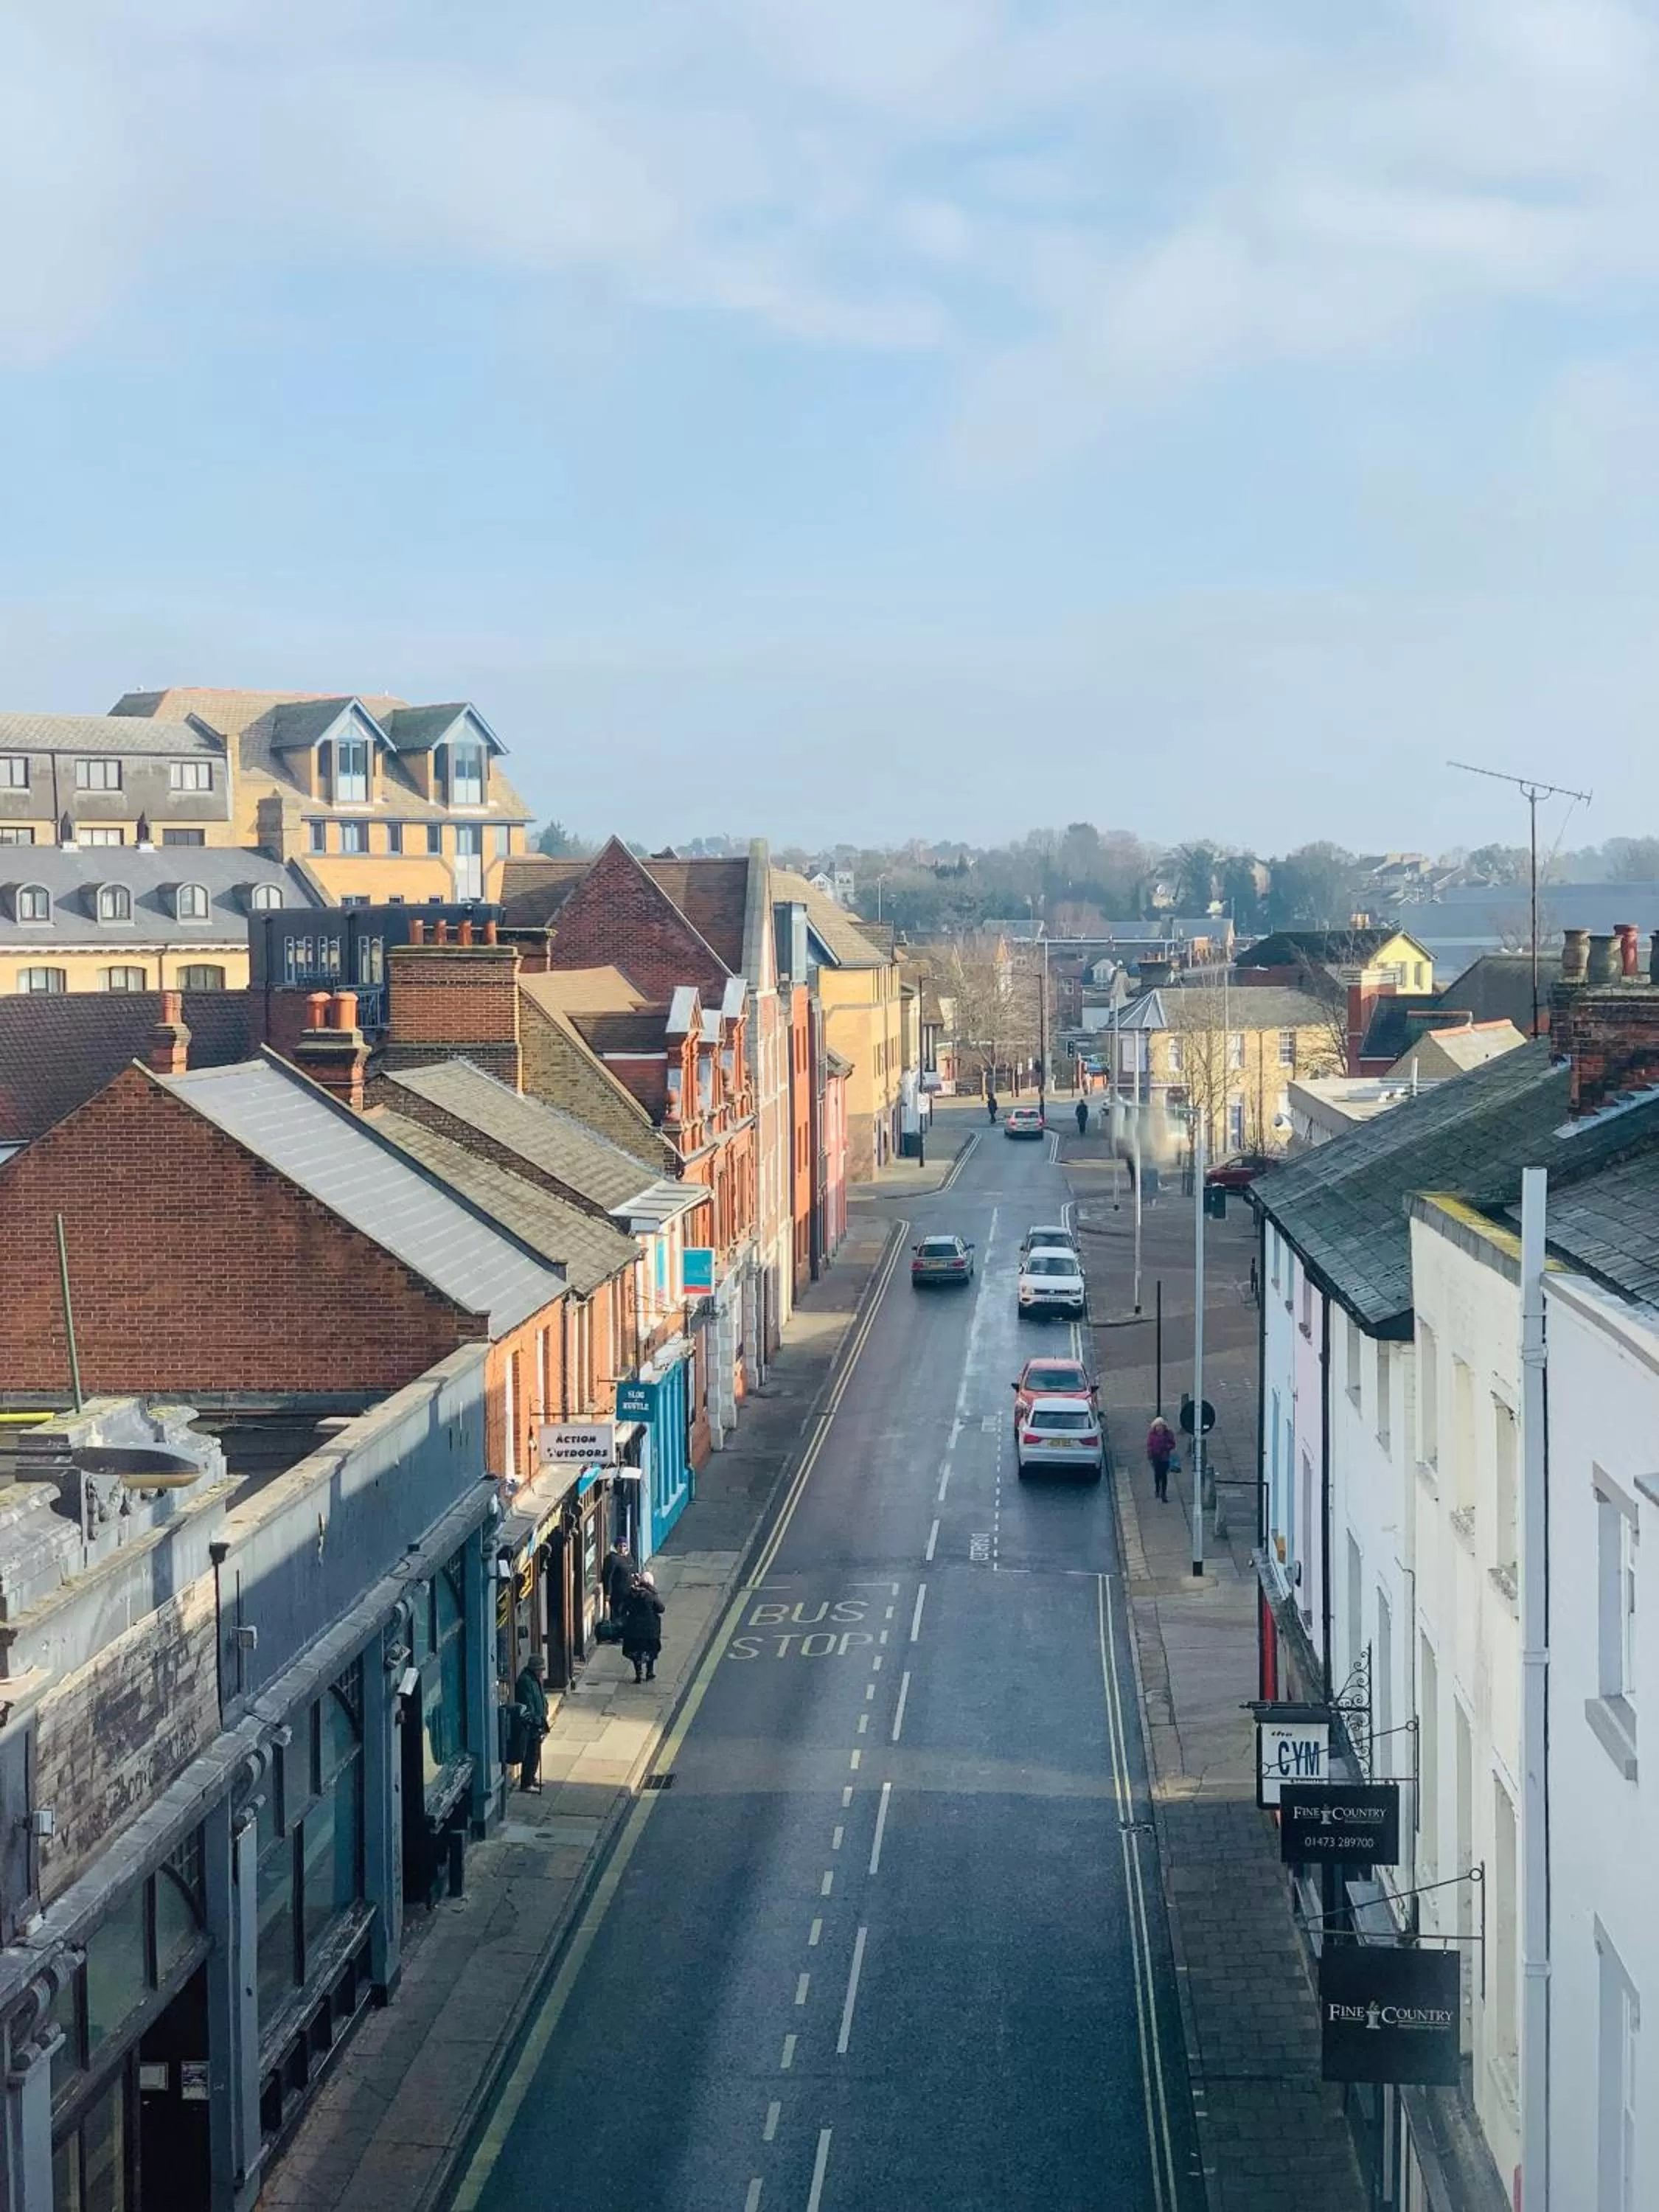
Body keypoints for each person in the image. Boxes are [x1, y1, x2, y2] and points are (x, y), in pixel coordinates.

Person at [622, 1571, 665, 1684]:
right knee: (651, 1650)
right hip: (650, 1629)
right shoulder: (652, 1595)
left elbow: (624, 1609)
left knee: (635, 1651)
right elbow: (661, 1609)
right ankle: (649, 1672)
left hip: (634, 1628)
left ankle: (638, 1673)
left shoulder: (631, 1594)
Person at [515, 1655, 549, 1792]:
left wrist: (545, 1710)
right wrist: (536, 1720)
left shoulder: (535, 1680)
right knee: (530, 1753)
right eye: (540, 1669)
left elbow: (540, 1698)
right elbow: (529, 1704)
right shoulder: (526, 1681)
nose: (542, 1672)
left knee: (536, 1753)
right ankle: (526, 1782)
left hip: (538, 1722)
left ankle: (532, 1777)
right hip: (531, 1724)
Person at [601, 1536, 633, 1620]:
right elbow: (608, 1576)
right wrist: (608, 1593)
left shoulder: (627, 1558)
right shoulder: (612, 1559)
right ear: (616, 1546)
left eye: (624, 1546)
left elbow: (631, 1570)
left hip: (627, 1593)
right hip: (617, 1594)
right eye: (620, 1546)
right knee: (616, 1614)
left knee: (624, 1614)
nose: (622, 1548)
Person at [1147, 1415, 1177, 1503]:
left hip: (1165, 1457)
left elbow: (1172, 1444)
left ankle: (1164, 1494)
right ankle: (1157, 1489)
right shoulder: (1152, 1435)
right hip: (1155, 1457)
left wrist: (1166, 1447)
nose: (1159, 1428)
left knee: (1164, 1475)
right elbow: (1150, 1445)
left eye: (1161, 1426)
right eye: (1157, 1426)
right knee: (1157, 1474)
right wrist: (1150, 1455)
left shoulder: (1168, 1434)